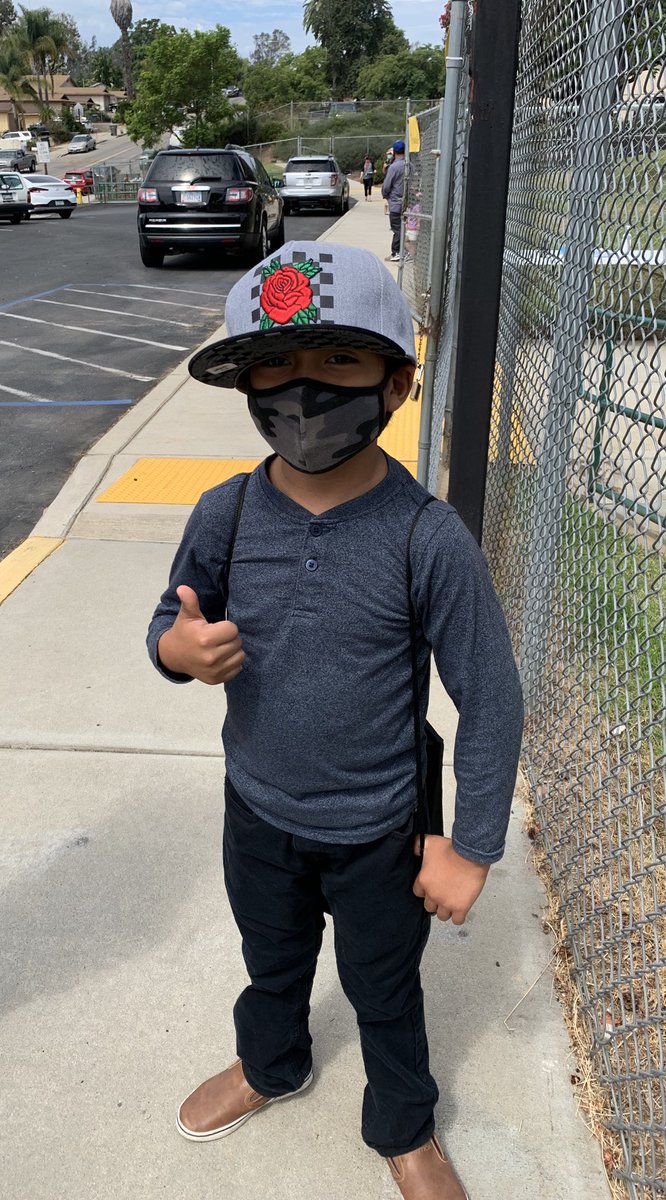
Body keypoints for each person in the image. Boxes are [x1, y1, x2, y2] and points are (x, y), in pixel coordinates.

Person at [147, 240, 523, 1200]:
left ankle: (403, 1124)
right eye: (275, 365)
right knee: (271, 962)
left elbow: (490, 696)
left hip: (378, 833)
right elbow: (168, 620)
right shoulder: (226, 513)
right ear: (247, 384)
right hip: (257, 813)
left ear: (397, 384)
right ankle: (270, 1064)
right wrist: (177, 651)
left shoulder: (426, 537)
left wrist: (469, 847)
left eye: (339, 361)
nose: (304, 391)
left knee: (384, 989)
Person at [382, 139, 406, 263]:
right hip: (408, 202)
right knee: (406, 228)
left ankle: (396, 252)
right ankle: (405, 251)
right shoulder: (409, 165)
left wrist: (385, 195)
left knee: (397, 228)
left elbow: (386, 186)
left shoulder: (394, 167)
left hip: (396, 202)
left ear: (394, 152)